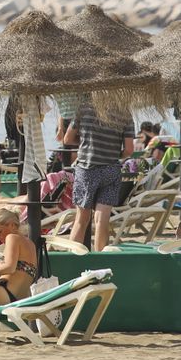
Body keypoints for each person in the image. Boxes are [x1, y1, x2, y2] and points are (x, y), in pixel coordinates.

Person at [62, 97, 133, 252]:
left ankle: (75, 258)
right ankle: (101, 258)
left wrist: (84, 144)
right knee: (102, 220)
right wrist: (114, 153)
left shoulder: (85, 107)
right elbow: (129, 150)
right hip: (111, 170)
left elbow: (67, 139)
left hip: (87, 169)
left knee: (81, 220)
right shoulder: (124, 112)